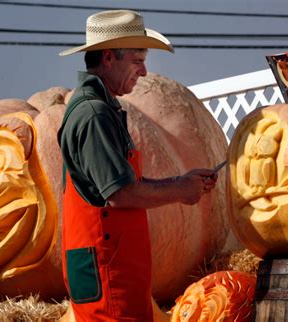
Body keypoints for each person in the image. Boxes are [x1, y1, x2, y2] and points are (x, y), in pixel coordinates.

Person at [57, 9, 218, 321]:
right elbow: (120, 193)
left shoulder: (103, 108)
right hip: (107, 274)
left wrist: (180, 181)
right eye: (137, 60)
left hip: (116, 272)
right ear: (108, 58)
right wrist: (180, 189)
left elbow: (122, 185)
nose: (144, 71)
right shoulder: (93, 114)